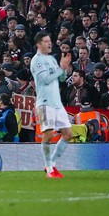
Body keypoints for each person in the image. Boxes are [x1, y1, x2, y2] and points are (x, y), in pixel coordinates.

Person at [30, 32, 73, 178]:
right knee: (48, 135)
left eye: (50, 41)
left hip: (57, 103)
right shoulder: (37, 60)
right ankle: (49, 169)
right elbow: (46, 79)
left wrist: (63, 67)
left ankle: (52, 164)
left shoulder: (51, 59)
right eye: (46, 41)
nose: (50, 44)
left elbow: (61, 78)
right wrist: (60, 69)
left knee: (68, 134)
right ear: (39, 44)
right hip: (45, 103)